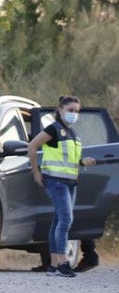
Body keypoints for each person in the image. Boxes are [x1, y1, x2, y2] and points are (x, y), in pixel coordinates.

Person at [27, 95, 97, 278]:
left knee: (58, 221)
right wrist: (36, 172)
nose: (74, 114)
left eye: (77, 111)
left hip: (70, 182)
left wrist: (82, 162)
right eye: (70, 110)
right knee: (66, 220)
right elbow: (32, 145)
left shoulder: (72, 133)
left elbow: (68, 159)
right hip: (55, 181)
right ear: (60, 110)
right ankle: (63, 262)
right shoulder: (53, 129)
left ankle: (53, 265)